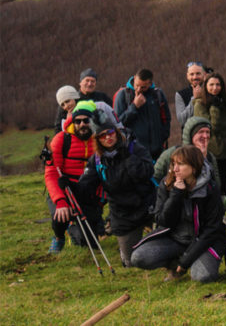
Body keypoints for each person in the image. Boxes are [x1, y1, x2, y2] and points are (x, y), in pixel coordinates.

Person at [130, 145, 226, 282]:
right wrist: (176, 195)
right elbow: (162, 220)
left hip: (203, 241)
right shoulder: (166, 184)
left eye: (180, 164)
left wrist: (186, 261)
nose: (175, 169)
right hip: (175, 239)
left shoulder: (210, 188)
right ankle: (174, 264)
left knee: (202, 276)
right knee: (138, 257)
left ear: (194, 167)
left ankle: (194, 262)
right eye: (173, 164)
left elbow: (212, 229)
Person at [77, 118, 156, 266]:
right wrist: (69, 185)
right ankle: (126, 253)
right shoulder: (97, 161)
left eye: (110, 133)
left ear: (116, 133)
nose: (108, 137)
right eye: (102, 136)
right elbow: (86, 187)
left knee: (154, 254)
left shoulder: (134, 148)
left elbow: (148, 172)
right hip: (121, 213)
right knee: (131, 262)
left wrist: (129, 159)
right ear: (98, 140)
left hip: (147, 205)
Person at [43, 102, 101, 252]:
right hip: (64, 188)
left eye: (86, 120)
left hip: (86, 191)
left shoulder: (100, 140)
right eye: (78, 121)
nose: (82, 124)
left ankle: (75, 230)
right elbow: (51, 173)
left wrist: (100, 197)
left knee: (90, 243)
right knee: (60, 216)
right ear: (73, 122)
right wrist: (61, 201)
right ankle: (58, 237)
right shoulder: (61, 139)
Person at [191, 72, 226, 223]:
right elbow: (211, 126)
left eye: (218, 84)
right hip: (214, 151)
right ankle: (219, 213)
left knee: (225, 182)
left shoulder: (224, 101)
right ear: (206, 86)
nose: (215, 88)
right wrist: (214, 108)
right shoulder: (201, 104)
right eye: (211, 84)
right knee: (217, 184)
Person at [114, 68, 171, 160]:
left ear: (150, 83)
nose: (139, 89)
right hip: (133, 151)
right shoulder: (123, 95)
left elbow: (166, 119)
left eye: (143, 87)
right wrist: (134, 106)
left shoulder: (157, 94)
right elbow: (118, 123)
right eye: (137, 85)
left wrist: (162, 137)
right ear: (135, 78)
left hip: (156, 151)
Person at [153, 116, 219, 185]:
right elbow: (154, 178)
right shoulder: (171, 154)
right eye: (201, 132)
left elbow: (217, 184)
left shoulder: (210, 157)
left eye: (207, 132)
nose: (205, 136)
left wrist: (203, 158)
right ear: (191, 135)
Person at [174, 61, 207, 128]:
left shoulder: (211, 90)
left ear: (204, 75)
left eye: (198, 74)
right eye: (192, 74)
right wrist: (194, 99)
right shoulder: (180, 94)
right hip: (189, 136)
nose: (195, 77)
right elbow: (182, 120)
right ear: (187, 76)